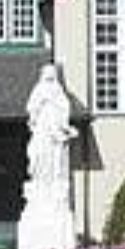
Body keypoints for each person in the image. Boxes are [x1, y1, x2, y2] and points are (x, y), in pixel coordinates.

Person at [24, 63, 76, 198]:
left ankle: (54, 180)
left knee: (54, 154)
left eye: (52, 75)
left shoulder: (58, 90)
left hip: (54, 127)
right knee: (39, 152)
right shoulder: (38, 89)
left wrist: (64, 125)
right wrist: (40, 104)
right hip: (42, 128)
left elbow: (65, 106)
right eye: (47, 74)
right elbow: (31, 106)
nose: (49, 77)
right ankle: (39, 178)